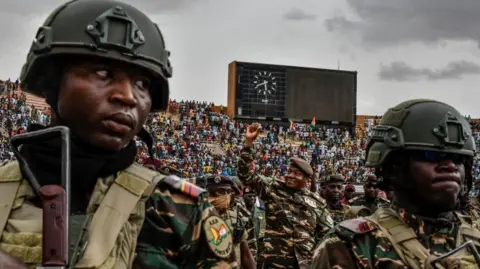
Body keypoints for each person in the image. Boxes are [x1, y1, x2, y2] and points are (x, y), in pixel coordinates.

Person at [0, 0, 236, 268]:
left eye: (142, 84)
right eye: (103, 73)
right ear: (52, 82)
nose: (127, 96)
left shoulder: (177, 208)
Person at [311, 99, 480, 268]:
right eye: (431, 156)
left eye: (458, 159)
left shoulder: (475, 238)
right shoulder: (352, 243)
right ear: (394, 166)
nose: (450, 166)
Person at [238, 123, 333, 269]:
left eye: (297, 174)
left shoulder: (317, 203)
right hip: (273, 263)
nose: (290, 176)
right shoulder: (273, 188)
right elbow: (246, 176)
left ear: (307, 181)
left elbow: (326, 235)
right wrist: (249, 143)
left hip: (304, 265)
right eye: (289, 171)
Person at [198, 175, 256, 269]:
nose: (225, 196)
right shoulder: (197, 216)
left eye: (228, 192)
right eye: (220, 192)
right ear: (208, 194)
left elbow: (245, 253)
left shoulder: (235, 217)